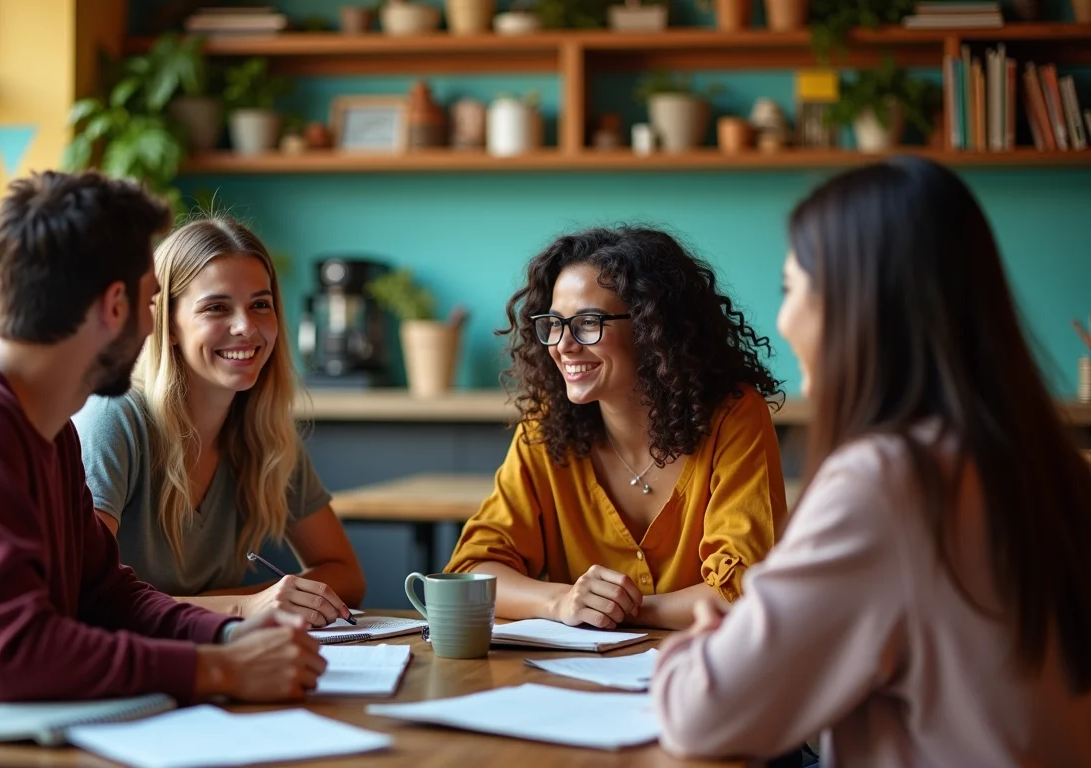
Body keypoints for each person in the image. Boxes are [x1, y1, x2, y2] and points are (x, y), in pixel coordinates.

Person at [0, 172, 326, 767]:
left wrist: (226, 635)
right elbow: (14, 655)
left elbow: (104, 593)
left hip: (21, 744)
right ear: (115, 306)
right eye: (150, 302)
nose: (153, 326)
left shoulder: (47, 425)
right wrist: (218, 668)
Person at [651, 156, 1091, 765]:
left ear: (856, 299)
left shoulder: (888, 482)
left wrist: (700, 646)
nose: (782, 318)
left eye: (790, 287)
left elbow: (703, 714)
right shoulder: (1042, 464)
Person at [444, 225, 788, 630]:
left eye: (588, 322)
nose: (563, 345)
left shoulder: (734, 416)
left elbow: (749, 590)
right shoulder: (545, 427)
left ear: (652, 327)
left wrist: (619, 609)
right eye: (554, 324)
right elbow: (473, 571)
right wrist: (560, 602)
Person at [73, 216, 365, 628]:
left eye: (260, 305)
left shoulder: (265, 432)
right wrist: (242, 607)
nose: (246, 327)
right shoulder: (114, 417)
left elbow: (345, 573)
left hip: (214, 662)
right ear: (167, 324)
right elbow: (81, 595)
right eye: (216, 307)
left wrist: (253, 601)